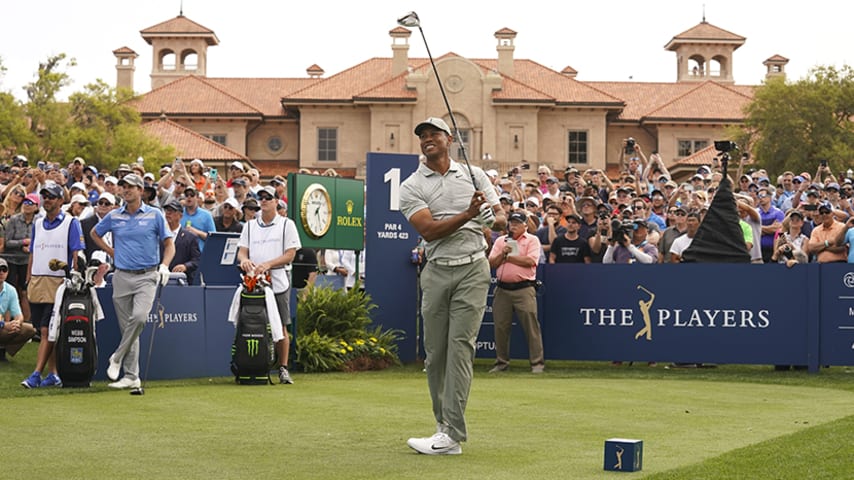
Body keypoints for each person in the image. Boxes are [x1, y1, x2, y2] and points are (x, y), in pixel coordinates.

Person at [399, 117, 506, 456]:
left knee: (460, 347)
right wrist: (470, 214)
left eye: (433, 134)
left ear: (449, 138)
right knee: (435, 353)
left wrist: (490, 214)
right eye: (422, 136)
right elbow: (428, 230)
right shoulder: (411, 185)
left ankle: (452, 434)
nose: (427, 139)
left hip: (473, 268)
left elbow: (501, 218)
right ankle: (442, 428)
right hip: (436, 269)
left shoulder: (474, 175)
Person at [91, 173, 174, 390]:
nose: (126, 190)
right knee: (128, 327)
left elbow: (169, 244)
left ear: (140, 190)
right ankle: (131, 376)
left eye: (131, 187)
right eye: (123, 186)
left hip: (147, 275)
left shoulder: (154, 214)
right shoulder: (114, 216)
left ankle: (117, 358)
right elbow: (94, 233)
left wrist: (165, 265)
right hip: (121, 276)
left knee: (138, 319)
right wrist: (111, 251)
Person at [20, 182, 85, 389]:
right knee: (44, 329)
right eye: (45, 196)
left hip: (58, 283)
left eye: (51, 196)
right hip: (38, 282)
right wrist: (28, 279)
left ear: (60, 200)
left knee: (48, 330)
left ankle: (36, 374)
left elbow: (76, 254)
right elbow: (33, 253)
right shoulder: (37, 223)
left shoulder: (71, 222)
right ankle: (54, 374)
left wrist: (74, 277)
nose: (47, 199)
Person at [236, 185, 301, 385]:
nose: (263, 200)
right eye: (261, 197)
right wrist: (245, 261)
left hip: (278, 281)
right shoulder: (249, 225)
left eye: (267, 197)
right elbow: (242, 251)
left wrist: (269, 265)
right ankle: (248, 365)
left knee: (280, 326)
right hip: (252, 282)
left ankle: (282, 368)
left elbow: (291, 254)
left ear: (276, 201)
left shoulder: (286, 224)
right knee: (247, 323)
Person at [488, 211, 544, 373]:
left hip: (524, 289)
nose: (513, 225)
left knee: (531, 326)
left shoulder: (532, 240)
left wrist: (508, 256)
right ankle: (501, 363)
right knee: (500, 327)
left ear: (525, 225)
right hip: (502, 289)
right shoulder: (501, 240)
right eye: (511, 222)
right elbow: (492, 263)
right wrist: (503, 254)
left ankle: (537, 363)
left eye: (517, 223)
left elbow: (530, 261)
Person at [0, 258, 36, 361]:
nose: (1, 272)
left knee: (30, 329)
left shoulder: (11, 290)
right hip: (2, 324)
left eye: (4, 269)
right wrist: (4, 324)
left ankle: (2, 351)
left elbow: (19, 315)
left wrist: (17, 323)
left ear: (7, 272)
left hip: (3, 325)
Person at [162, 199, 201, 285]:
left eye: (172, 211)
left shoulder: (190, 237)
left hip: (181, 282)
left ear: (180, 216)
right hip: (161, 279)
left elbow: (197, 260)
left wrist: (185, 266)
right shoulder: (159, 235)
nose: (168, 213)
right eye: (167, 210)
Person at [180, 186, 216, 251]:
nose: (189, 197)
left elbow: (213, 238)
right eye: (187, 195)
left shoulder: (206, 215)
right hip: (182, 254)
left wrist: (197, 232)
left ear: (197, 197)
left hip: (199, 254)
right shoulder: (179, 214)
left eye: (192, 195)